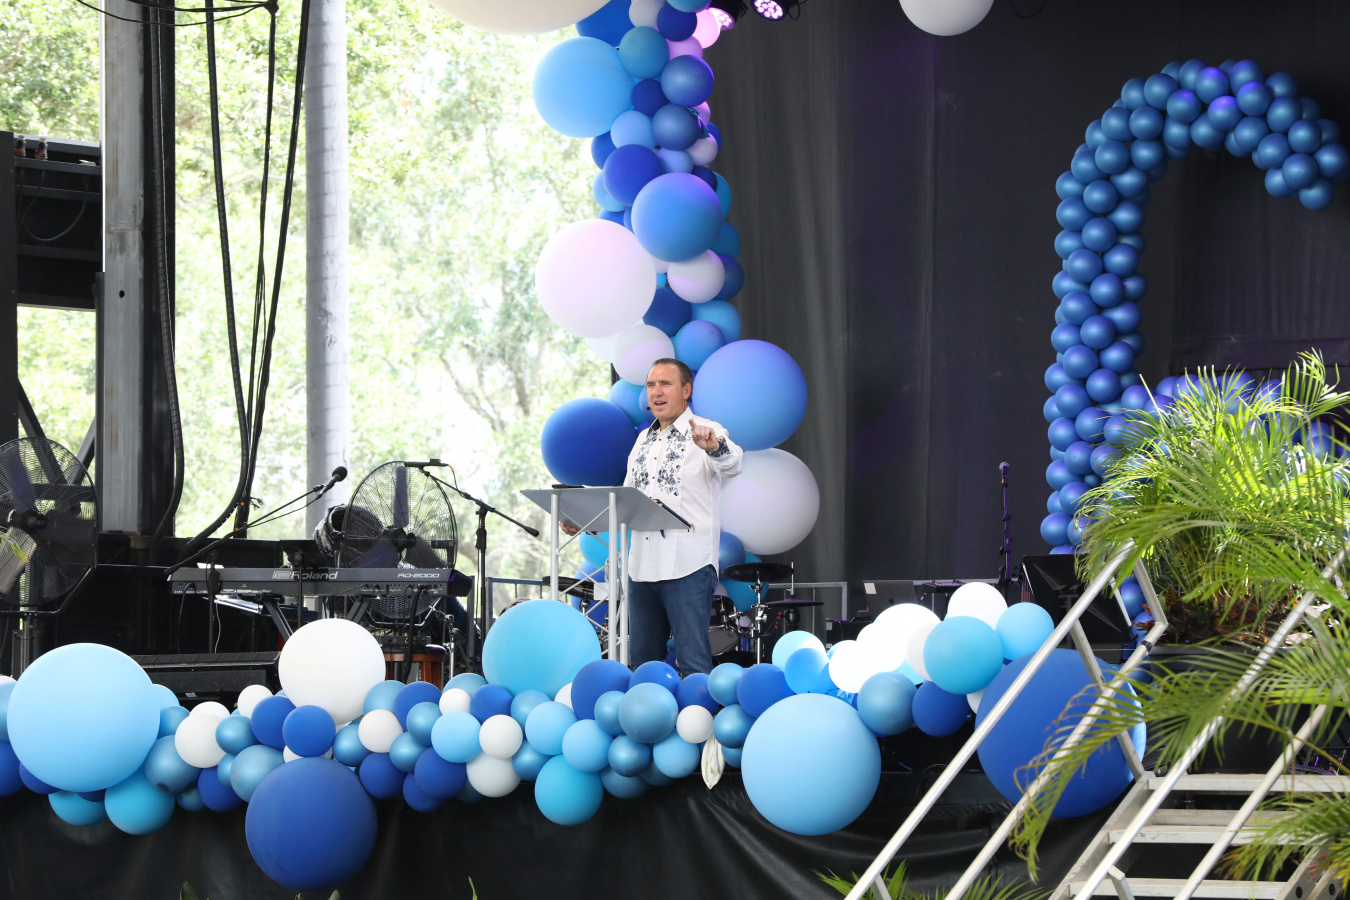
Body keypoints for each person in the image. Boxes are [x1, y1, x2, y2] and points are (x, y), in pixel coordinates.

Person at [622, 358, 742, 675]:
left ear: (686, 390)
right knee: (643, 665)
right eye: (651, 385)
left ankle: (698, 709)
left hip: (688, 564)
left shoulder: (706, 429)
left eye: (665, 383)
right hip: (641, 567)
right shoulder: (642, 441)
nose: (656, 391)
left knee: (693, 664)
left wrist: (714, 447)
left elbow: (733, 464)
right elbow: (626, 498)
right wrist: (582, 519)